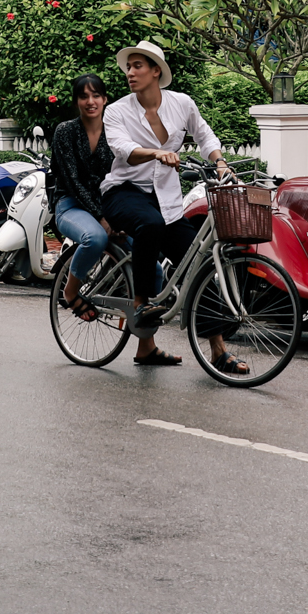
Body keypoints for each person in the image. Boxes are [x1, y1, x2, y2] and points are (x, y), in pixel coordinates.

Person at [99, 39, 239, 372]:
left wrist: (220, 163)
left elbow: (205, 136)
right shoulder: (116, 110)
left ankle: (218, 350)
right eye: (128, 67)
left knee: (198, 263)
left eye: (138, 66)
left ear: (155, 71)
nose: (130, 73)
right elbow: (123, 149)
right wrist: (156, 152)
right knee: (150, 225)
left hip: (166, 198)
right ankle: (141, 304)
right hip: (123, 191)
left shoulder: (182, 104)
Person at [50, 74, 115, 322]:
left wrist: (114, 215)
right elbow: (72, 181)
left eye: (96, 95)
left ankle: (145, 341)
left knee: (151, 266)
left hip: (107, 206)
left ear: (105, 99)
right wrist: (101, 217)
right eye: (84, 96)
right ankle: (70, 289)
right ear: (77, 101)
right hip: (70, 205)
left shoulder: (115, 133)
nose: (91, 101)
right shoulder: (65, 132)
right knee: (95, 237)